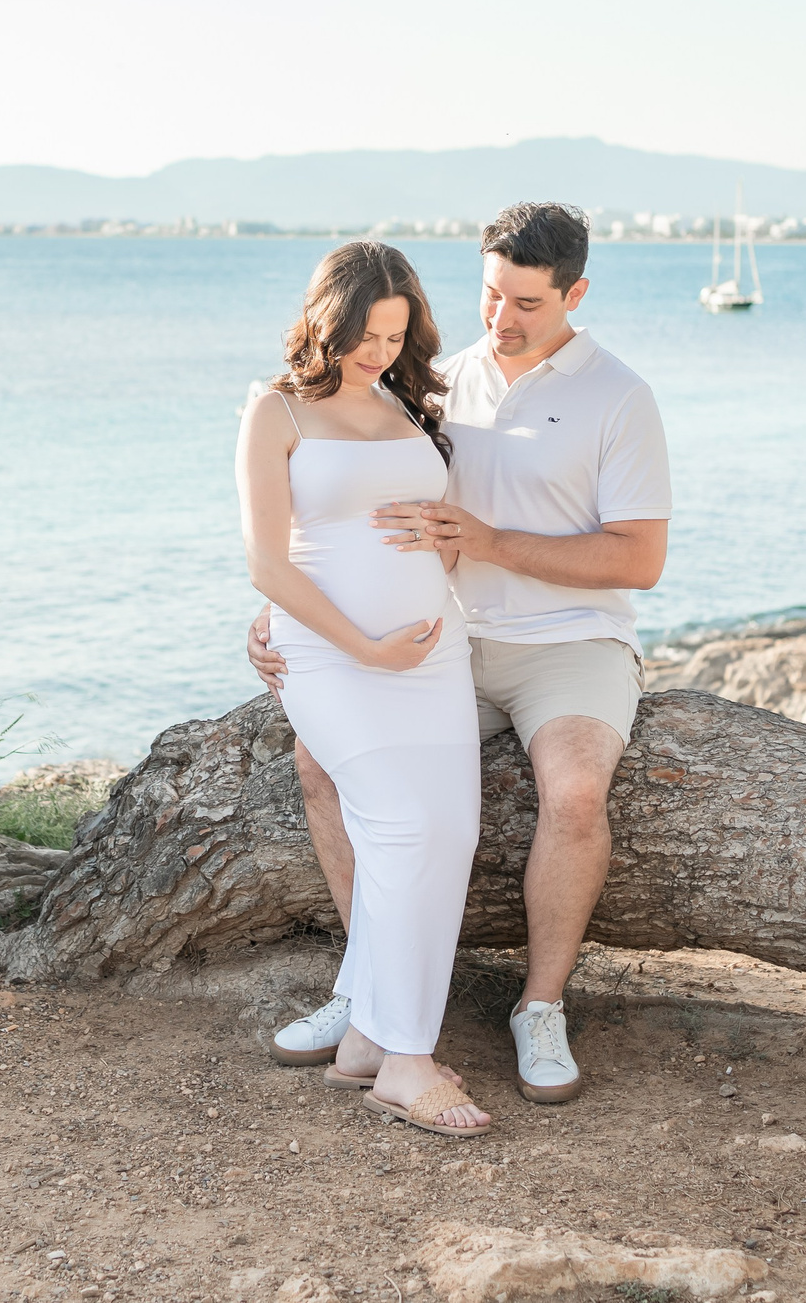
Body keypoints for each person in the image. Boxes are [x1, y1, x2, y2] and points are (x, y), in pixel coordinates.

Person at [252, 202, 668, 1104]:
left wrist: (488, 539)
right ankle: (366, 997)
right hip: (447, 638)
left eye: (524, 302)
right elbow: (334, 513)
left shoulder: (619, 395)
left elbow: (640, 557)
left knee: (575, 790)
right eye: (489, 295)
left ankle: (540, 1007)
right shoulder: (431, 382)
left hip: (567, 642)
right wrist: (274, 619)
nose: (501, 318)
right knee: (319, 765)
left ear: (575, 293)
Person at [235, 240, 493, 1137]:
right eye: (367, 333)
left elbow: (437, 529)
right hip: (336, 658)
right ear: (326, 318)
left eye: (396, 332)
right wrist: (364, 646)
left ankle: (366, 1042)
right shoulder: (276, 411)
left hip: (435, 651)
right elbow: (269, 560)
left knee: (449, 831)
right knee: (398, 825)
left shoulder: (403, 399)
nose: (382, 350)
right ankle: (407, 1060)